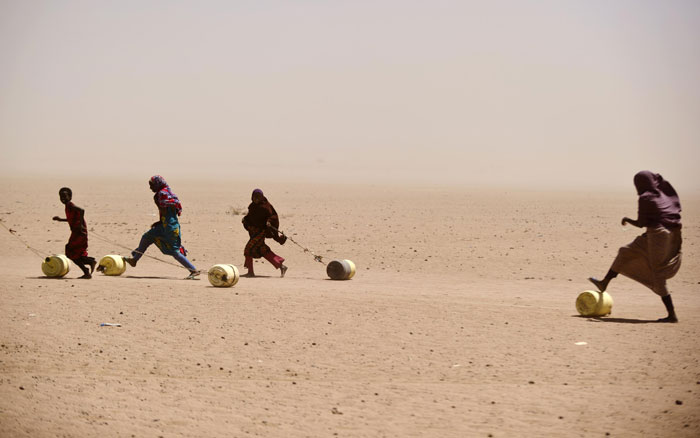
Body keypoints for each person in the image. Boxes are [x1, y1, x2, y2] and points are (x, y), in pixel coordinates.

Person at [589, 171, 682, 322]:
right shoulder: (660, 194)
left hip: (657, 235)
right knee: (625, 251)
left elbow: (640, 223)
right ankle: (604, 283)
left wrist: (627, 219)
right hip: (666, 233)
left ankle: (672, 315)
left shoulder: (646, 197)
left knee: (657, 274)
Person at [123, 175, 200, 279]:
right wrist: (159, 222)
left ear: (157, 184)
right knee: (147, 237)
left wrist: (163, 222)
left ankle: (193, 270)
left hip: (169, 227)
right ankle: (135, 259)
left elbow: (165, 210)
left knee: (174, 251)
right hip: (166, 225)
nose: (150, 188)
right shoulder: (169, 193)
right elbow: (171, 211)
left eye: (152, 185)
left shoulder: (161, 194)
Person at [241, 189, 288, 277]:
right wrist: (245, 219)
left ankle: (250, 272)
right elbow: (250, 216)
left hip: (260, 232)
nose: (256, 199)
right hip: (254, 231)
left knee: (248, 249)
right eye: (255, 197)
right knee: (263, 250)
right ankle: (281, 266)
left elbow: (273, 216)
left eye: (258, 197)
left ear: (261, 197)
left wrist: (269, 221)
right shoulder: (252, 206)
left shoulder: (266, 206)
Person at [53, 187, 96, 279]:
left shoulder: (70, 205)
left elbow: (82, 210)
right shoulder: (68, 206)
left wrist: (81, 225)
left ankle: (88, 268)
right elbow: (72, 218)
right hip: (77, 232)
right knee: (74, 252)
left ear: (70, 197)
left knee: (70, 252)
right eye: (61, 197)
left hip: (79, 232)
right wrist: (60, 219)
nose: (63, 199)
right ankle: (88, 265)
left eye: (65, 196)